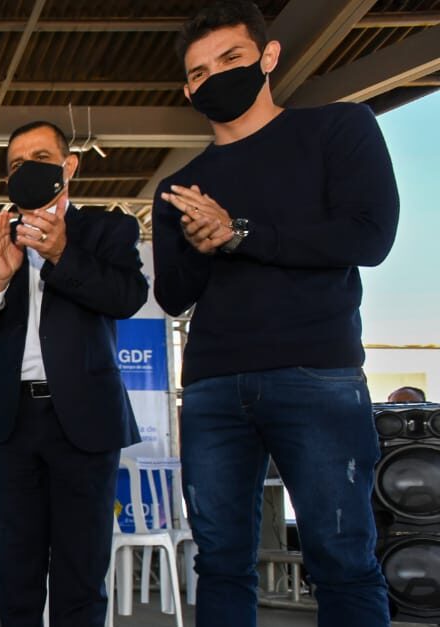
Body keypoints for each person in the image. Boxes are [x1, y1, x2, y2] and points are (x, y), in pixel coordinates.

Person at [152, 2, 399, 626]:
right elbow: (176, 294)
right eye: (200, 72)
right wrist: (204, 244)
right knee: (220, 561)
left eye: (230, 59)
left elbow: (368, 239)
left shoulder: (338, 130)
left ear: (268, 57)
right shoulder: (179, 188)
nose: (215, 77)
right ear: (188, 89)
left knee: (342, 556)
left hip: (316, 375)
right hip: (212, 387)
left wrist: (238, 232)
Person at [0, 121, 147, 626]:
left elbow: (127, 297)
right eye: (16, 164)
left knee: (80, 576)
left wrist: (61, 253)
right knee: (17, 575)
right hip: (13, 422)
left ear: (69, 166)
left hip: (84, 422)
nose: (27, 170)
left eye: (40, 157)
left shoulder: (107, 229)